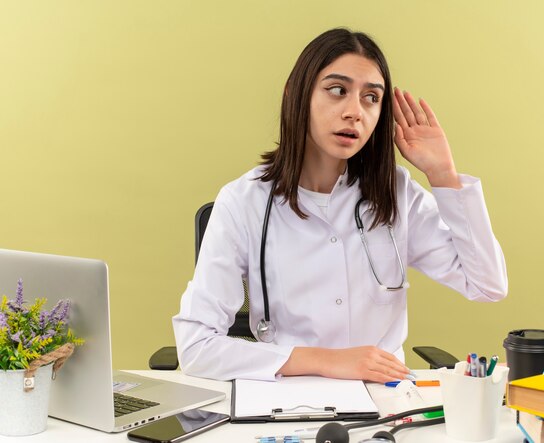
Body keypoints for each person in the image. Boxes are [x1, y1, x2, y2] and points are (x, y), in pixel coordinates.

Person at [172, 28, 507, 382]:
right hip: (287, 396)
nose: (354, 112)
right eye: (337, 90)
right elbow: (196, 347)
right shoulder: (244, 202)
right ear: (296, 95)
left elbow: (487, 284)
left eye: (371, 98)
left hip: (383, 395)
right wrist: (325, 360)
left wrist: (443, 175)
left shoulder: (395, 192)